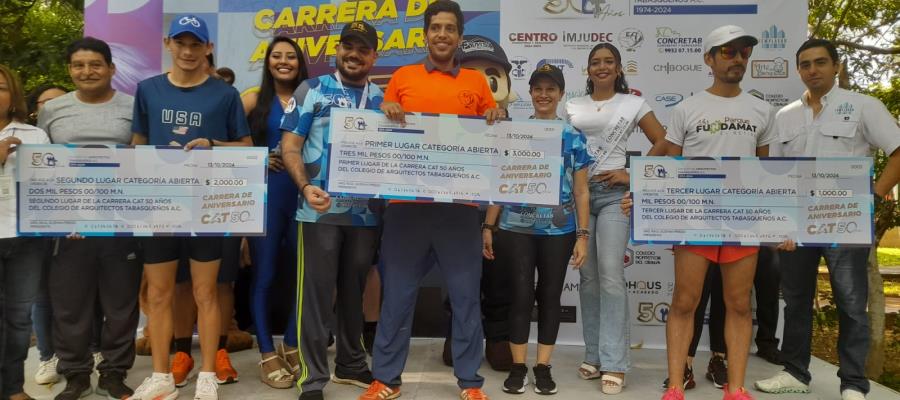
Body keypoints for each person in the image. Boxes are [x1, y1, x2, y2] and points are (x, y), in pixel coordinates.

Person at [360, 1, 503, 399]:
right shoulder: (403, 77)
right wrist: (387, 109)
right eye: (436, 27)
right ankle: (386, 378)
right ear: (426, 33)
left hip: (460, 211)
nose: (443, 34)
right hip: (407, 211)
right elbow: (383, 134)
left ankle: (470, 383)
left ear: (459, 36)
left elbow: (494, 137)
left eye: (450, 28)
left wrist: (497, 116)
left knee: (465, 298)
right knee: (398, 298)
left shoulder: (476, 83)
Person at [754, 38, 900, 400]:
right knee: (798, 300)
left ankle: (853, 383)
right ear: (798, 70)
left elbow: (897, 151)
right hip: (797, 225)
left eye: (820, 62)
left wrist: (873, 196)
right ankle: (795, 373)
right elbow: (774, 174)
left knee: (851, 304)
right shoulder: (784, 116)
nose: (812, 70)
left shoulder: (863, 106)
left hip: (843, 223)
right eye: (805, 64)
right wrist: (777, 224)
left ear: (836, 66)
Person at [126, 14, 252, 400]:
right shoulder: (147, 90)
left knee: (206, 292)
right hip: (160, 206)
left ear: (208, 49)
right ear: (167, 44)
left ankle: (208, 374)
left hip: (207, 206)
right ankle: (162, 374)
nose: (187, 51)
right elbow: (136, 144)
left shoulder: (224, 94)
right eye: (180, 43)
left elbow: (246, 149)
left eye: (196, 44)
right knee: (160, 294)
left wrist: (212, 145)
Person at [654, 25, 780, 400]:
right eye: (727, 52)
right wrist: (658, 214)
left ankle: (736, 389)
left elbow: (765, 173)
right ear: (709, 59)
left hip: (743, 219)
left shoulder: (762, 109)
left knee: (740, 305)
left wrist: (777, 220)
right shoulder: (687, 108)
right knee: (684, 302)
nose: (737, 58)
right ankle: (676, 386)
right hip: (695, 218)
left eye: (743, 52)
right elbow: (668, 169)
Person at [281, 20, 385, 400]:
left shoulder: (383, 100)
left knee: (355, 292)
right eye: (347, 46)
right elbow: (289, 146)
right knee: (316, 296)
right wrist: (306, 187)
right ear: (336, 51)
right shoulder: (312, 90)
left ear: (374, 56)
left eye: (362, 48)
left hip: (366, 214)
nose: (353, 54)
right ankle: (311, 379)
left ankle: (351, 363)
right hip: (318, 213)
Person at [35, 36, 142, 400]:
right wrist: (60, 217)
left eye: (95, 64)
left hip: (121, 221)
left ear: (111, 69)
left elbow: (144, 159)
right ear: (70, 70)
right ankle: (76, 374)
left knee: (122, 304)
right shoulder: (54, 110)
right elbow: (42, 169)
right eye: (79, 65)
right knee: (70, 304)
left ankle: (114, 372)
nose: (87, 71)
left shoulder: (134, 105)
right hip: (69, 226)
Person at [481, 63, 590, 395]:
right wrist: (489, 223)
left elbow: (582, 190)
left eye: (550, 89)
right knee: (520, 295)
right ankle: (517, 367)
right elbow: (500, 180)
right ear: (530, 93)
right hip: (516, 227)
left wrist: (583, 235)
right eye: (538, 89)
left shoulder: (572, 136)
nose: (544, 95)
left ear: (560, 94)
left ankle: (542, 366)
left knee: (550, 297)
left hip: (559, 231)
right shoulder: (514, 131)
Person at [565, 42, 667, 395]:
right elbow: (560, 143)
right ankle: (593, 354)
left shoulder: (633, 103)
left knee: (610, 274)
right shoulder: (573, 105)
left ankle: (615, 362)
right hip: (580, 194)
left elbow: (664, 141)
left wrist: (632, 174)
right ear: (588, 69)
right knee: (589, 277)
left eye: (609, 62)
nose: (602, 67)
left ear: (620, 69)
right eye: (596, 62)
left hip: (613, 197)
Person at [241, 35, 307, 389]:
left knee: (302, 275)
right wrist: (257, 157)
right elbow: (229, 146)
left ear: (300, 63)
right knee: (264, 275)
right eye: (276, 56)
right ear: (268, 62)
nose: (284, 62)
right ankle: (266, 351)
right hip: (265, 199)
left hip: (303, 199)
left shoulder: (311, 96)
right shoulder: (253, 99)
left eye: (291, 57)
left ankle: (293, 343)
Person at [0, 63, 52, 400]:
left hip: (25, 239)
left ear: (13, 93)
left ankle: (13, 388)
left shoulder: (34, 135)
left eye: (1, 86)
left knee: (19, 319)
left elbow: (51, 187)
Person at [24, 82, 68, 387]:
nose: (54, 109)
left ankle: (91, 351)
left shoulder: (75, 144)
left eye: (61, 103)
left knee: (82, 293)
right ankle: (47, 355)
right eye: (47, 103)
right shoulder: (26, 142)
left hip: (79, 223)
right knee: (42, 294)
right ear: (34, 110)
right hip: (37, 225)